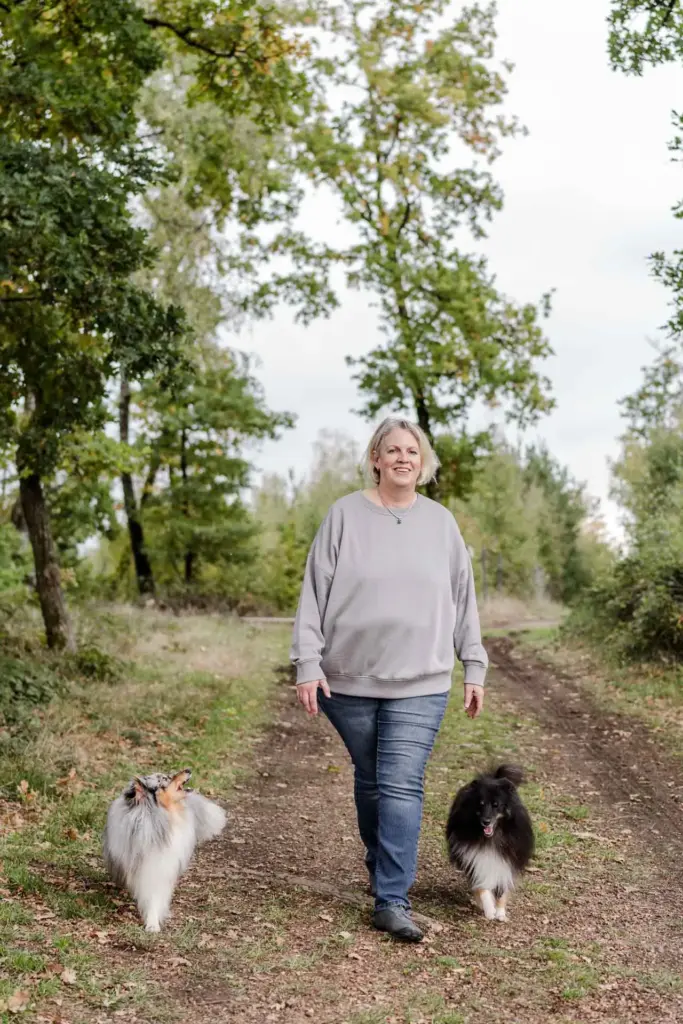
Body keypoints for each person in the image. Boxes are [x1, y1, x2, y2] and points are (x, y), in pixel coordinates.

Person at [290, 416, 488, 943]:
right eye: (393, 450)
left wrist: (474, 663)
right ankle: (383, 867)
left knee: (400, 783)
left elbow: (463, 598)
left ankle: (392, 898)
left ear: (422, 463)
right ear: (375, 458)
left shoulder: (441, 523)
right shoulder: (344, 516)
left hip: (422, 680)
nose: (404, 458)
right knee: (372, 780)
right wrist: (306, 661)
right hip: (347, 681)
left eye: (413, 451)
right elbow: (314, 590)